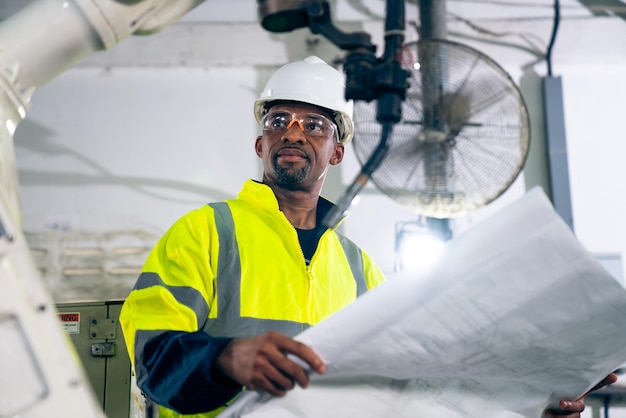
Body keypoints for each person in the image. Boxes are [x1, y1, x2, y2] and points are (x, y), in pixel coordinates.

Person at [119, 56, 616, 418]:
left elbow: (415, 394)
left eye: (314, 124)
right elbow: (152, 360)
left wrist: (533, 405)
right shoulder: (206, 232)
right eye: (278, 122)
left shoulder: (361, 269)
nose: (293, 133)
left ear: (336, 152)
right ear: (260, 143)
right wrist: (226, 358)